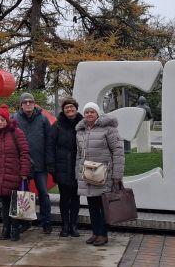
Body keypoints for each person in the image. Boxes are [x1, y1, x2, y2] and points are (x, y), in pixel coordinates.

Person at [75, 102, 124, 247]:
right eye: (87, 112)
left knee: (102, 205)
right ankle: (95, 232)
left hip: (103, 173)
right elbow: (79, 154)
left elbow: (118, 152)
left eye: (92, 112)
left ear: (97, 114)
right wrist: (78, 172)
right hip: (88, 173)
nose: (89, 114)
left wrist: (117, 174)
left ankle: (103, 234)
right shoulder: (81, 131)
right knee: (92, 205)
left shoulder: (109, 129)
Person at [0, 104, 30, 241]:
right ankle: (6, 228)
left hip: (14, 172)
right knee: (4, 203)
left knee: (15, 202)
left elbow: (24, 153)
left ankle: (15, 228)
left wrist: (24, 172)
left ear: (7, 120)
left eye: (2, 120)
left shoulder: (17, 133)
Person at [13, 92, 53, 233]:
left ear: (34, 103)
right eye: (25, 102)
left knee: (43, 193)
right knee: (22, 194)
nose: (28, 104)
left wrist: (49, 160)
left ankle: (46, 221)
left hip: (40, 164)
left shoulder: (43, 119)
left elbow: (49, 141)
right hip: (22, 164)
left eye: (30, 101)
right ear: (21, 104)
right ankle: (24, 221)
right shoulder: (14, 118)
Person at [47, 97, 83, 237]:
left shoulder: (82, 124)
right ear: (63, 110)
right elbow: (50, 146)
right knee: (64, 197)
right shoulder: (57, 125)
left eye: (72, 107)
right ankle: (65, 225)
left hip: (77, 164)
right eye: (67, 107)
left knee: (75, 197)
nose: (69, 109)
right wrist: (51, 165)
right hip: (61, 165)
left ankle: (74, 225)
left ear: (76, 108)